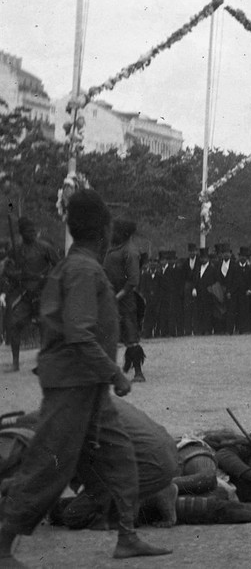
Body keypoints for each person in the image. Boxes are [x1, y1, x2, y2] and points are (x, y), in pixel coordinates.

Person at [0, 189, 170, 562]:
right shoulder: (82, 270)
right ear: (104, 231)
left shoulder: (77, 266)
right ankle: (2, 544)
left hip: (86, 384)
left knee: (121, 456)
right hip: (73, 384)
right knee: (48, 467)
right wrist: (115, 374)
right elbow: (79, 334)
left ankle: (127, 536)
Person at [52, 398, 180, 530]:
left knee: (73, 517)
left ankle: (148, 498)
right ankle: (151, 492)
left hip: (148, 466)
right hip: (165, 455)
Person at [3, 217, 60, 372]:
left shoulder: (45, 248)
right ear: (22, 233)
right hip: (24, 293)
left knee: (45, 327)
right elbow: (6, 269)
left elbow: (59, 266)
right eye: (28, 231)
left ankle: (44, 362)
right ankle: (15, 363)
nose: (32, 233)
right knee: (14, 325)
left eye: (33, 230)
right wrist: (15, 274)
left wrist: (47, 278)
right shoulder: (16, 250)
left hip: (43, 293)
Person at [103, 219, 147, 383]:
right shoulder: (111, 249)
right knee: (107, 335)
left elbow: (133, 281)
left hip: (125, 300)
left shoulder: (130, 252)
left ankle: (138, 372)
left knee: (130, 335)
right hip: (109, 298)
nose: (112, 234)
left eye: (115, 231)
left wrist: (118, 296)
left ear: (123, 233)